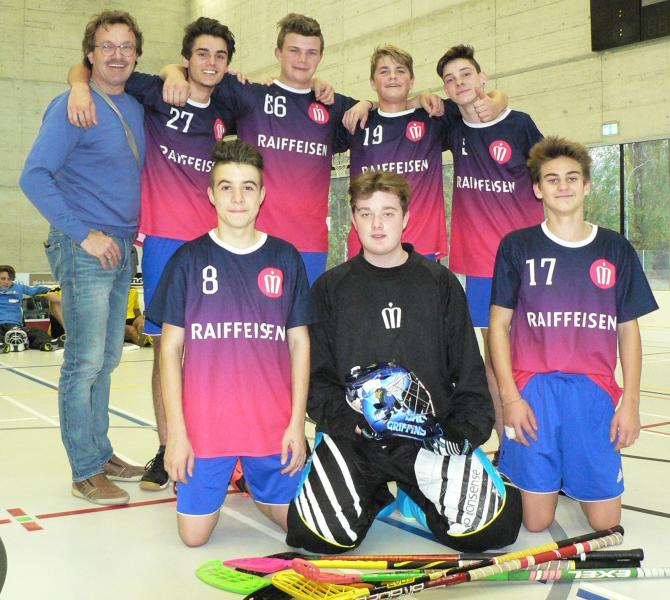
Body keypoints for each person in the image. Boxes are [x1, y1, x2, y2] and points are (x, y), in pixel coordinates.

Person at [285, 171, 522, 554]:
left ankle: (417, 494)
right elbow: (318, 381)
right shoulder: (330, 288)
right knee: (316, 537)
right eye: (366, 214)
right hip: (357, 440)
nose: (377, 224)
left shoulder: (440, 283)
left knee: (495, 530)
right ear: (354, 218)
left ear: (406, 218)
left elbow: (469, 374)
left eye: (388, 213)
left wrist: (461, 435)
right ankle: (375, 493)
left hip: (428, 440)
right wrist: (353, 424)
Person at [67, 17, 239, 491]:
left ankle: (214, 447)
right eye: (201, 54)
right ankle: (167, 449)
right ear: (186, 58)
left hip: (216, 245)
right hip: (164, 241)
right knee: (168, 349)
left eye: (220, 56)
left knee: (215, 350)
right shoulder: (157, 91)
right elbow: (95, 67)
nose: (210, 63)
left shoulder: (229, 106)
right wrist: (78, 87)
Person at [146, 139, 315, 546]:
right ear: (211, 195)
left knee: (302, 533)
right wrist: (176, 436)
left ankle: (249, 477)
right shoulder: (188, 260)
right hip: (206, 427)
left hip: (271, 425)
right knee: (193, 536)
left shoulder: (285, 257)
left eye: (248, 187)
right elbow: (169, 350)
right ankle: (232, 471)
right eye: (226, 187)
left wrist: (296, 425)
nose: (237, 198)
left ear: (262, 195)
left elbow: (300, 344)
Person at [489, 136, 658, 532]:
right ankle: (539, 474)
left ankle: (570, 473)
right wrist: (510, 398)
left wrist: (631, 402)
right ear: (537, 189)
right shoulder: (517, 246)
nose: (562, 186)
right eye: (552, 179)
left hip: (593, 391)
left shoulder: (615, 248)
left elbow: (628, 330)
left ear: (587, 185)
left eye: (572, 177)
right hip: (534, 389)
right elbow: (498, 325)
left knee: (605, 523)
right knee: (536, 523)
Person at [20, 10, 147, 506]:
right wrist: (83, 235)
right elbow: (34, 176)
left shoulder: (134, 104)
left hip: (120, 247)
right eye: (106, 46)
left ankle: (101, 451)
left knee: (108, 359)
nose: (117, 54)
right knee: (84, 361)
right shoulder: (73, 105)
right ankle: (85, 470)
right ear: (90, 54)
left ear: (136, 55)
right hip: (85, 248)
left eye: (126, 46)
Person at [161, 13, 372, 284]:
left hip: (310, 246)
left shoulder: (332, 105)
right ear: (278, 53)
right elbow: (199, 72)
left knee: (301, 313)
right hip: (250, 239)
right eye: (294, 50)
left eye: (311, 53)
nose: (302, 59)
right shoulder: (251, 95)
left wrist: (367, 102)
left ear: (320, 57)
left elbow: (388, 110)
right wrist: (173, 73)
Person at [437, 44, 545, 454]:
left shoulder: (519, 124)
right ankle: (510, 448)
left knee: (534, 354)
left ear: (482, 78)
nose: (459, 83)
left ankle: (544, 444)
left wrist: (500, 100)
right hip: (481, 264)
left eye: (466, 74)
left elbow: (550, 173)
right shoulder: (453, 128)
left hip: (528, 262)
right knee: (494, 359)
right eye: (450, 80)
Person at [339, 45, 506, 261]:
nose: (392, 77)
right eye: (384, 71)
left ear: (412, 80)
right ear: (372, 82)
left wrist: (499, 102)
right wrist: (367, 103)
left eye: (400, 71)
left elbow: (478, 98)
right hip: (367, 248)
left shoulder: (432, 115)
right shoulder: (357, 119)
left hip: (422, 249)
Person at [0, 265, 54, 352]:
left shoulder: (19, 287)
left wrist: (53, 289)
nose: (6, 282)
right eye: (3, 278)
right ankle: (2, 345)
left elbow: (35, 290)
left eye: (9, 279)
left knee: (38, 333)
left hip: (15, 327)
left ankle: (48, 344)